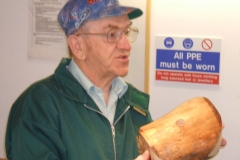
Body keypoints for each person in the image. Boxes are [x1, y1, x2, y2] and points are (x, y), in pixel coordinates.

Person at [5, 0, 226, 160]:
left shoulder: (134, 104)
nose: (126, 45)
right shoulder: (36, 108)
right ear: (78, 46)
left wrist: (202, 146)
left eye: (126, 32)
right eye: (112, 34)